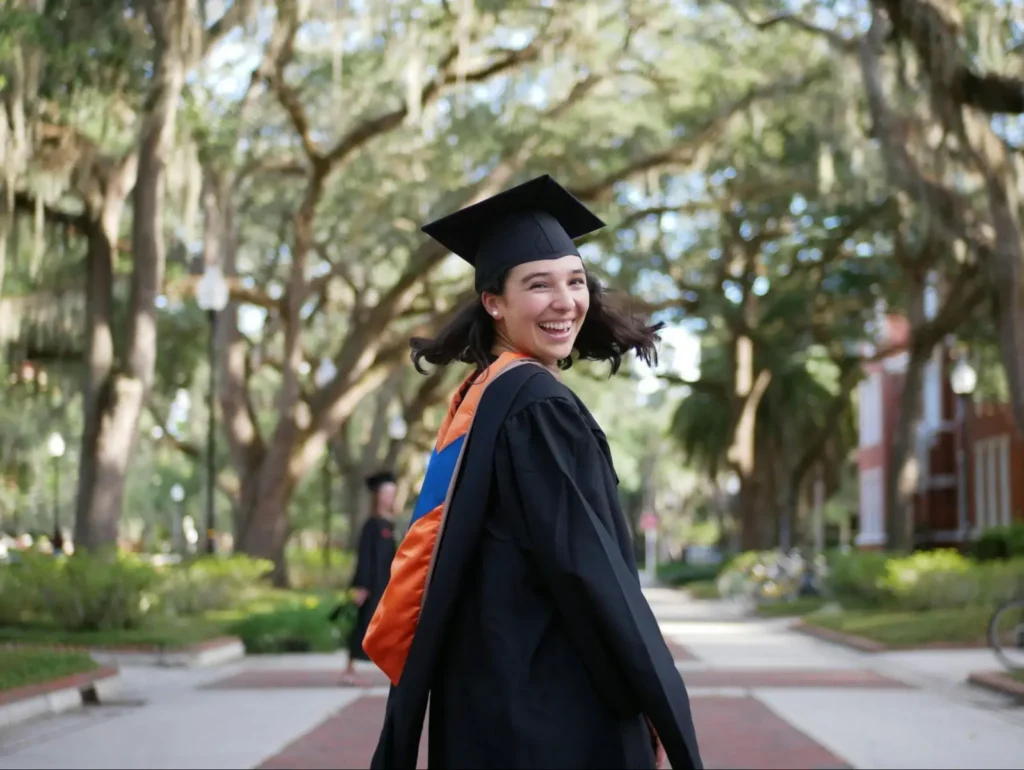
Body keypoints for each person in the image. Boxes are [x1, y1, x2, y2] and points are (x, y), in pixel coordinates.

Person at [362, 175, 703, 769]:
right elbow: (589, 572)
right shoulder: (537, 406)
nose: (565, 302)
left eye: (575, 281)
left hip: (484, 697)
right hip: (554, 704)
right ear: (494, 302)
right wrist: (651, 697)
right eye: (538, 285)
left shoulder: (482, 396)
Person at [340, 470, 398, 686]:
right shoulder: (372, 525)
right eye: (386, 493)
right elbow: (364, 557)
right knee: (364, 624)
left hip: (388, 584)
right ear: (378, 496)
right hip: (372, 585)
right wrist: (361, 586)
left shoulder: (391, 524)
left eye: (393, 493)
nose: (390, 497)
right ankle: (350, 667)